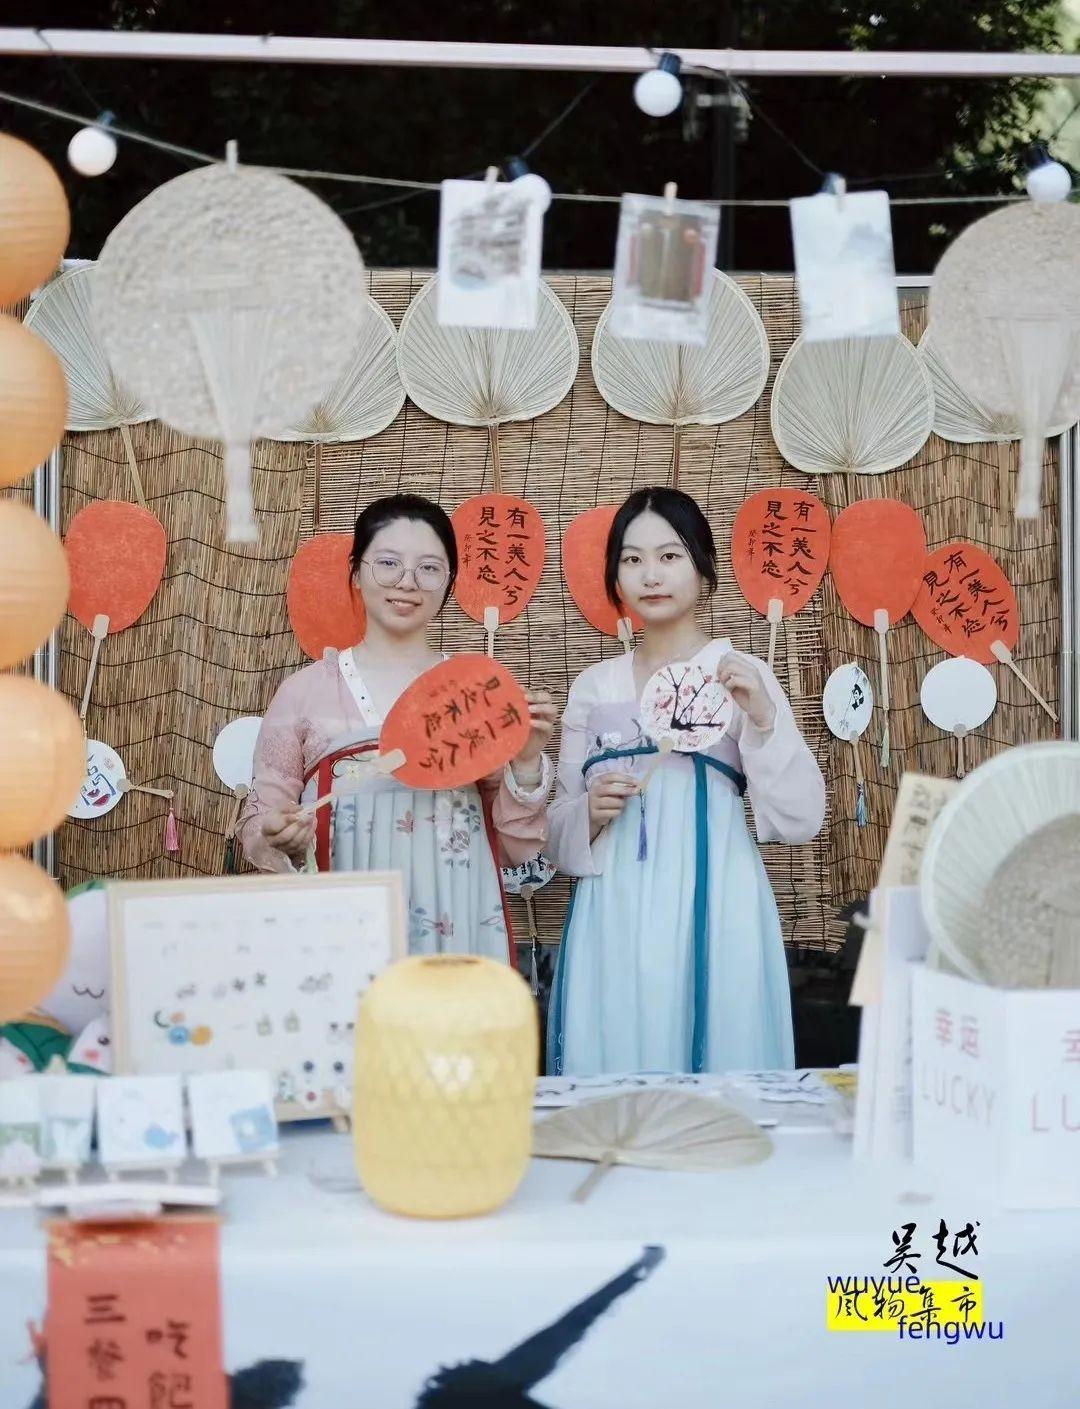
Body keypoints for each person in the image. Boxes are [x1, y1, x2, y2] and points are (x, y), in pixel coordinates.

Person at [546, 486, 825, 1074]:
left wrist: (764, 717)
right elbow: (556, 834)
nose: (651, 575)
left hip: (716, 896)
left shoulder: (740, 674)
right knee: (618, 1054)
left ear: (703, 568)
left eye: (670, 556)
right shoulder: (593, 687)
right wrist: (587, 814)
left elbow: (802, 819)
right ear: (615, 577)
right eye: (632, 559)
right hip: (614, 905)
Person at [237, 493, 555, 962]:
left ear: (450, 581)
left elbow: (512, 845)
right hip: (341, 918)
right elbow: (261, 817)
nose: (407, 581)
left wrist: (526, 761)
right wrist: (277, 833)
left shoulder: (474, 693)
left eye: (429, 568)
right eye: (388, 563)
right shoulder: (304, 691)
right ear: (356, 572)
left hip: (456, 913)